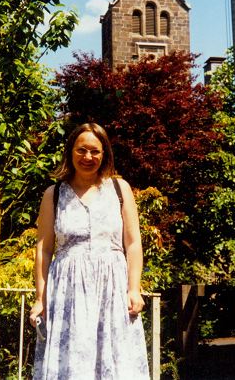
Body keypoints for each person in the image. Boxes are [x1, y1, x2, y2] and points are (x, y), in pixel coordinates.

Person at [30, 122, 149, 379]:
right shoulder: (54, 194)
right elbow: (44, 249)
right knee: (72, 364)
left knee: (117, 364)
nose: (88, 157)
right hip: (67, 295)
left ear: (104, 153)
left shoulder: (120, 189)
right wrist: (41, 298)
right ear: (70, 152)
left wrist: (133, 289)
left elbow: (133, 243)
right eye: (81, 150)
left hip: (113, 292)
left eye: (95, 151)